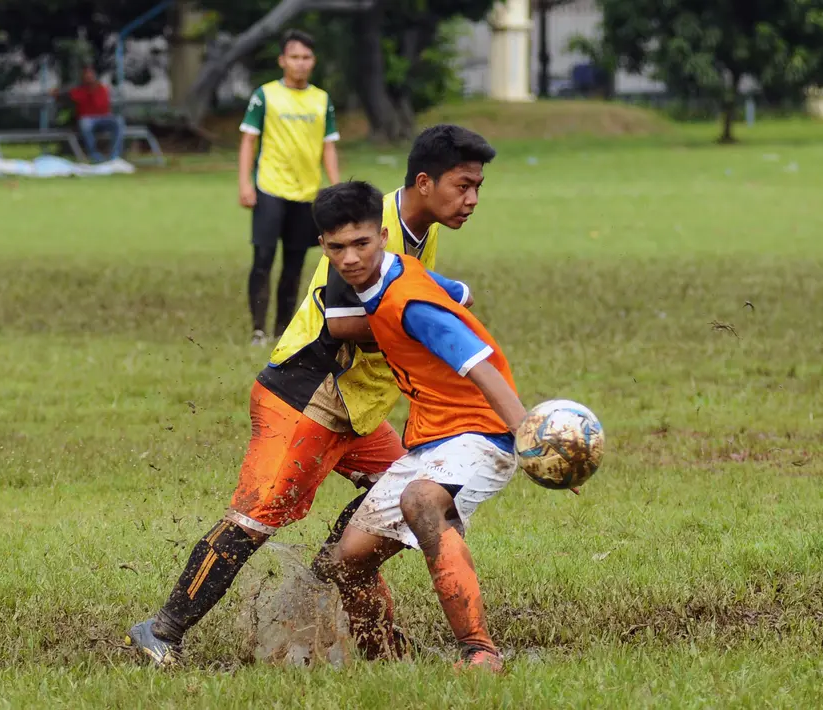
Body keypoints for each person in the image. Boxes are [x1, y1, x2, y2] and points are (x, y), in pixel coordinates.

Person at [124, 126, 497, 668]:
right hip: (307, 398)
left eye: (478, 187)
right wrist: (446, 299)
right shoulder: (367, 228)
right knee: (254, 520)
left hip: (361, 413)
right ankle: (161, 629)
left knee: (410, 508)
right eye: (463, 186)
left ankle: (381, 649)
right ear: (425, 181)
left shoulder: (420, 230)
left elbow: (402, 299)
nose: (472, 200)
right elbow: (343, 321)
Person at [311, 181, 527, 674]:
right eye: (337, 247)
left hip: (482, 434)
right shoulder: (397, 275)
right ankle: (385, 659)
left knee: (422, 501)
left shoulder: (409, 304)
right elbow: (460, 294)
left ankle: (480, 652)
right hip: (431, 441)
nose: (349, 258)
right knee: (347, 562)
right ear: (323, 246)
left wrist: (531, 441)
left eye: (361, 244)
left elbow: (482, 369)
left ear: (382, 236)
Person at [240, 29, 341, 346]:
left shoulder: (321, 100)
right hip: (270, 188)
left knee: (295, 263)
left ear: (313, 61)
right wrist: (246, 183)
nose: (300, 64)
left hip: (307, 194)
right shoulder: (265, 95)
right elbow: (248, 141)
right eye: (294, 57)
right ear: (283, 60)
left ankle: (283, 328)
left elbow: (328, 146)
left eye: (306, 57)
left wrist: (336, 188)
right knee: (263, 258)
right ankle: (258, 328)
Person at [52, 66, 125, 163]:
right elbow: (63, 95)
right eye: (87, 76)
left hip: (104, 118)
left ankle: (115, 155)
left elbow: (102, 105)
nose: (89, 77)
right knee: (85, 123)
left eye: (91, 75)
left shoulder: (101, 89)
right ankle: (94, 154)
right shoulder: (79, 90)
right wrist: (55, 93)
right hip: (88, 120)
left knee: (119, 121)